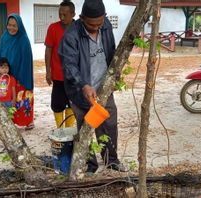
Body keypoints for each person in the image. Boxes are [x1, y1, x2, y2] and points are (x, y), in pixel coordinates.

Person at [59, 0, 127, 173]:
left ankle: (111, 160)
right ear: (82, 19)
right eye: (91, 24)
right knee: (85, 129)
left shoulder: (105, 26)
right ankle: (90, 165)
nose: (97, 28)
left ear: (104, 17)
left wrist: (115, 76)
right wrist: (83, 85)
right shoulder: (71, 35)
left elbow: (111, 51)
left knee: (109, 125)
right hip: (80, 92)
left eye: (99, 23)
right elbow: (69, 65)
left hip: (104, 88)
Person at [0, 14, 34, 130]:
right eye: (9, 25)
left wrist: (20, 77)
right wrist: (0, 72)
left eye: (14, 25)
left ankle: (28, 121)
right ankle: (10, 121)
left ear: (19, 26)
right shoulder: (4, 38)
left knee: (21, 99)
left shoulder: (23, 39)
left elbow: (27, 61)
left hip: (21, 76)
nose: (11, 28)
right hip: (5, 76)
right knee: (6, 98)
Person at [45, 0, 76, 128]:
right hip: (58, 75)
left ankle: (69, 130)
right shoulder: (53, 28)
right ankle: (60, 128)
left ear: (73, 14)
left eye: (65, 14)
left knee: (72, 103)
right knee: (57, 105)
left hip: (75, 76)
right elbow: (48, 50)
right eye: (60, 14)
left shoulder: (79, 28)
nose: (62, 17)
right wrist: (48, 71)